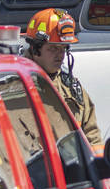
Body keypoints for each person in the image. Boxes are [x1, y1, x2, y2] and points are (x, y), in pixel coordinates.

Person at [24, 8, 102, 149]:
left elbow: (92, 135)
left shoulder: (71, 87)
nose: (60, 55)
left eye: (63, 48)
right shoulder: (16, 84)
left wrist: (96, 164)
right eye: (53, 48)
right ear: (35, 49)